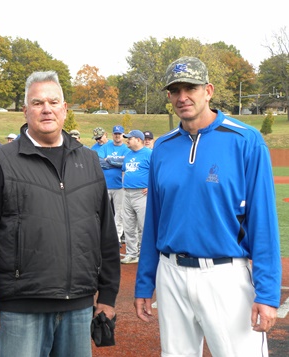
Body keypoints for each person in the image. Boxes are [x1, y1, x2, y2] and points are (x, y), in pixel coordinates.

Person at [0, 71, 120, 357]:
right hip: (21, 308)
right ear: (25, 110)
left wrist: (107, 295)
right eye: (37, 103)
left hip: (79, 306)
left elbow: (106, 235)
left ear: (64, 109)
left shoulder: (88, 161)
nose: (46, 109)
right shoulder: (1, 162)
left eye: (53, 102)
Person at [134, 57, 281, 356]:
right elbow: (154, 221)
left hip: (224, 275)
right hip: (170, 273)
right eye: (175, 90)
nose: (182, 97)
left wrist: (267, 293)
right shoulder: (162, 147)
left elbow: (263, 221)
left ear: (208, 90)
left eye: (190, 87)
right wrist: (143, 283)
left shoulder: (246, 140)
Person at [120, 130, 152, 264]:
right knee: (128, 225)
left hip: (142, 194)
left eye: (130, 138)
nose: (127, 140)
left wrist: (151, 186)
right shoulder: (128, 155)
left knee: (143, 226)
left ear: (138, 140)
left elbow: (158, 172)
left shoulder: (149, 154)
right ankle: (132, 253)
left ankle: (145, 254)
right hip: (127, 193)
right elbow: (124, 171)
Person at [98, 125, 130, 242]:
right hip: (105, 185)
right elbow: (100, 162)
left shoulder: (126, 149)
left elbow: (125, 163)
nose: (117, 136)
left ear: (123, 135)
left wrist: (109, 160)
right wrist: (117, 162)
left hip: (119, 186)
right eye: (115, 134)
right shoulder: (105, 147)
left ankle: (116, 238)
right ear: (112, 135)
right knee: (103, 211)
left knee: (119, 213)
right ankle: (103, 237)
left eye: (119, 134)